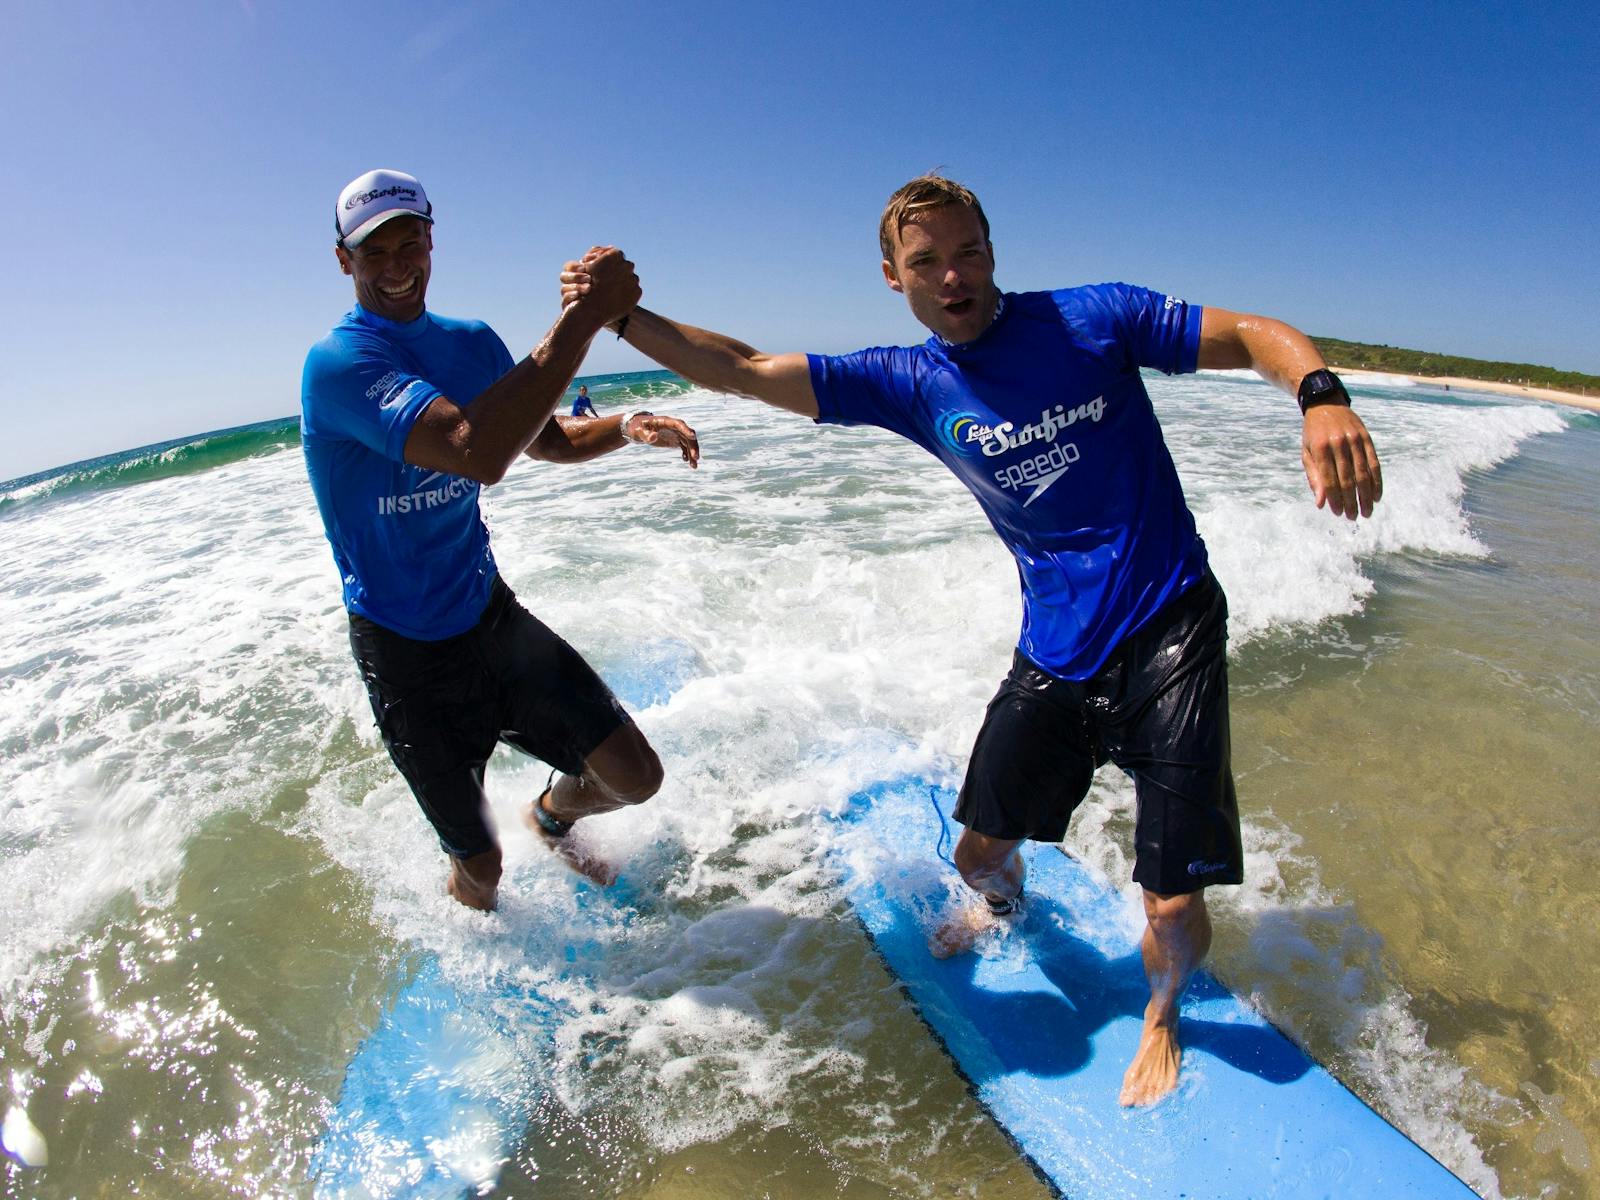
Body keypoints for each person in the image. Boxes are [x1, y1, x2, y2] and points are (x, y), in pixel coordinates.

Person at [561, 174, 1382, 1107]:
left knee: (1171, 898)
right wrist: (622, 317)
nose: (953, 276)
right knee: (977, 857)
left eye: (969, 253)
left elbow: (1252, 334)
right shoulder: (909, 382)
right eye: (927, 262)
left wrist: (1320, 394)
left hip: (1171, 625)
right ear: (893, 277)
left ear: (992, 253)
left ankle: (1162, 1012)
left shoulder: (1092, 321)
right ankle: (1004, 906)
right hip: (1056, 649)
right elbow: (743, 368)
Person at [301, 169, 700, 912]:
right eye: (373, 252)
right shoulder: (340, 364)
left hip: (490, 618)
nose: (395, 266)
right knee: (481, 869)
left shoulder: (472, 343)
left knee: (634, 777)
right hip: (405, 651)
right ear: (343, 261)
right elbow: (474, 450)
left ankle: (548, 816)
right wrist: (586, 316)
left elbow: (544, 440)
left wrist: (624, 425)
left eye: (409, 244)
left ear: (431, 241)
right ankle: (478, 944)